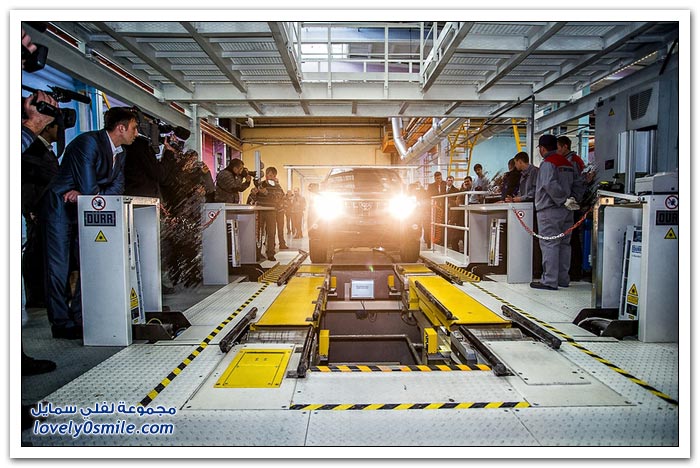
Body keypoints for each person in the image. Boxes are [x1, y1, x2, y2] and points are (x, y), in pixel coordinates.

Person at [41, 107, 138, 339]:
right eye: (134, 128)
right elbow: (89, 187)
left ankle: (79, 317)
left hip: (86, 210)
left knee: (88, 263)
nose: (136, 133)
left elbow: (117, 188)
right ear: (121, 128)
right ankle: (61, 323)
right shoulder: (88, 143)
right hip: (61, 208)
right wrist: (89, 193)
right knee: (59, 266)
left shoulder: (120, 152)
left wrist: (88, 194)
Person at [530, 135, 584, 291]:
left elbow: (549, 184)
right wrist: (573, 199)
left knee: (549, 244)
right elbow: (578, 183)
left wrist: (562, 199)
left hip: (550, 210)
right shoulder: (568, 163)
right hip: (567, 210)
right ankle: (562, 279)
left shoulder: (548, 163)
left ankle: (549, 280)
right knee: (564, 244)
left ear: (542, 148)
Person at [22, 121, 61, 308]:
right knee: (36, 252)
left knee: (44, 253)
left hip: (48, 209)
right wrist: (29, 209)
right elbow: (25, 181)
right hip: (38, 210)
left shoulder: (46, 150)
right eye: (57, 127)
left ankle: (44, 296)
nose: (60, 131)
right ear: (47, 127)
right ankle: (36, 297)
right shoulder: (32, 149)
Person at [507, 152, 542, 278]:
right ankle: (527, 266)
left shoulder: (534, 172)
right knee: (527, 239)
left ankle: (537, 270)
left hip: (533, 208)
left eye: (516, 163)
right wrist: (514, 198)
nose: (515, 165)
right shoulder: (523, 174)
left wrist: (520, 199)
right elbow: (523, 191)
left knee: (535, 240)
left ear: (520, 161)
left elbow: (535, 191)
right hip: (525, 208)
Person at [557, 136, 585, 281]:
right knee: (567, 240)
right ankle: (568, 272)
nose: (557, 150)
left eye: (558, 147)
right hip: (567, 203)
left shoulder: (573, 161)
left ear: (565, 146)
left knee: (572, 240)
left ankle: (574, 272)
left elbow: (578, 182)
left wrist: (574, 199)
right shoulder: (566, 160)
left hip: (572, 205)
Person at [255, 167, 286, 261]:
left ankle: (270, 253)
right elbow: (253, 197)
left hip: (271, 211)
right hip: (260, 210)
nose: (268, 177)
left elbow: (278, 198)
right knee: (258, 233)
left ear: (275, 176)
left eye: (271, 175)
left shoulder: (277, 186)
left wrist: (266, 193)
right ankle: (257, 253)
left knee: (271, 233)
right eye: (267, 174)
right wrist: (255, 192)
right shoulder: (261, 184)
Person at [426, 171, 446, 246]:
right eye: (437, 178)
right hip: (434, 208)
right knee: (432, 225)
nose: (439, 180)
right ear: (434, 178)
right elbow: (428, 196)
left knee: (442, 224)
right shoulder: (431, 186)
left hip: (443, 208)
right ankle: (431, 241)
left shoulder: (445, 184)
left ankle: (442, 241)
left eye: (440, 178)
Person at [444, 175, 461, 251]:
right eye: (449, 180)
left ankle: (450, 245)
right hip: (443, 211)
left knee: (451, 230)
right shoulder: (442, 189)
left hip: (451, 212)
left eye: (451, 180)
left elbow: (457, 201)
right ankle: (445, 243)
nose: (450, 182)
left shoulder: (456, 190)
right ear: (446, 181)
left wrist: (451, 203)